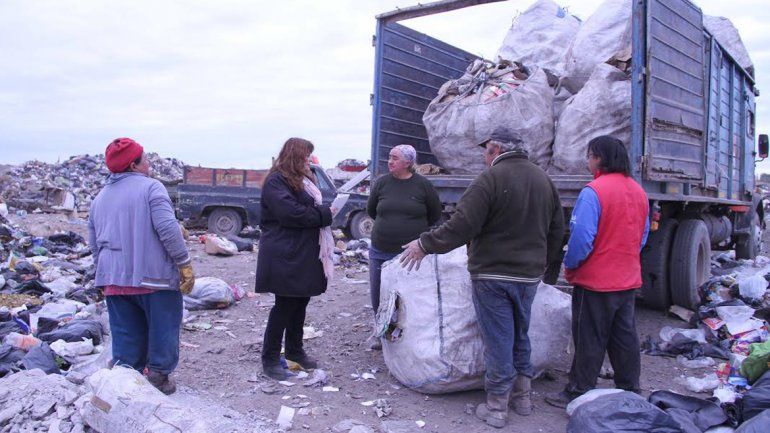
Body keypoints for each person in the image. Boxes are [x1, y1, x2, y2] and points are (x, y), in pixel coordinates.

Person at [401, 128, 565, 428]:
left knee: (498, 339)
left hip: (493, 275)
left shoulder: (490, 179)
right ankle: (523, 398)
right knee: (520, 333)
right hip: (528, 276)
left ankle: (497, 407)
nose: (484, 155)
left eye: (486, 149)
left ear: (495, 149)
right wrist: (545, 266)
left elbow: (463, 224)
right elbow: (557, 229)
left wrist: (424, 244)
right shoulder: (544, 180)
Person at [545, 135, 649, 408]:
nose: (588, 161)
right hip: (626, 280)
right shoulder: (638, 191)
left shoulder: (594, 191)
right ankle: (630, 386)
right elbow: (643, 235)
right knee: (624, 335)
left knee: (590, 336)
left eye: (590, 155)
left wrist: (572, 264)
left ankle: (579, 390)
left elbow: (581, 238)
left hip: (596, 281)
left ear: (600, 158)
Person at [89, 137, 195, 395]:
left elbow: (94, 243)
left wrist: (104, 272)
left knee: (125, 332)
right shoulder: (151, 188)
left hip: (113, 279)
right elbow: (168, 230)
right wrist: (184, 263)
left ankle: (128, 380)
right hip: (153, 278)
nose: (148, 163)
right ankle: (158, 376)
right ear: (134, 164)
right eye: (145, 159)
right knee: (163, 326)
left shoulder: (100, 197)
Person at [256, 137, 335, 380]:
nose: (307, 160)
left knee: (300, 303)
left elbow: (302, 210)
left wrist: (323, 213)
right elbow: (290, 213)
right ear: (293, 156)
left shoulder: (302, 179)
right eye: (304, 156)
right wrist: (323, 214)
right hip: (284, 253)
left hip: (302, 251)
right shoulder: (276, 180)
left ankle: (294, 351)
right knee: (284, 306)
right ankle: (270, 359)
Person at [366, 144, 442, 349]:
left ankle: (410, 337)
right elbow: (372, 210)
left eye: (395, 158)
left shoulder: (423, 185)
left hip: (411, 253)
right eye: (389, 157)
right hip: (380, 249)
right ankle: (381, 333)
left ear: (408, 163)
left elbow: (434, 214)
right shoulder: (382, 183)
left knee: (409, 295)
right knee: (379, 294)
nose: (390, 161)